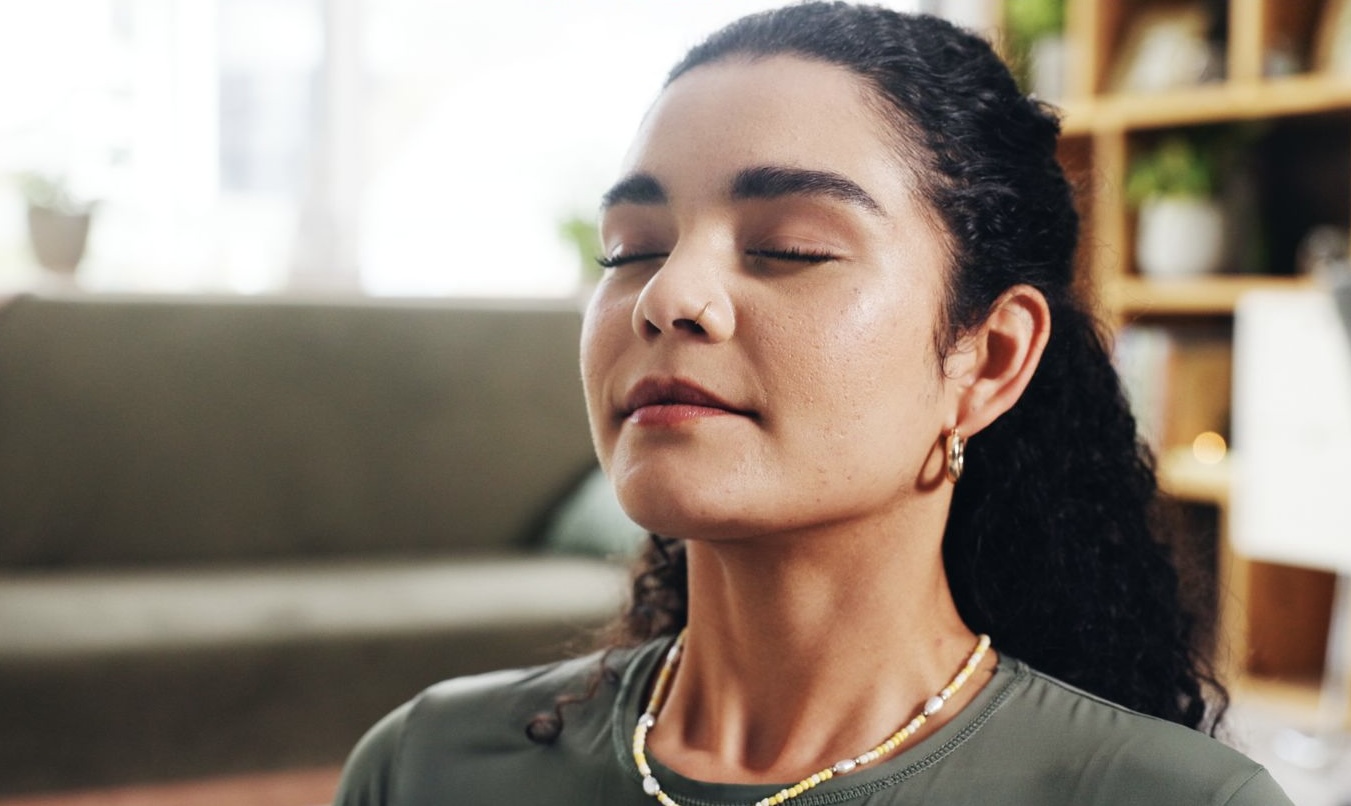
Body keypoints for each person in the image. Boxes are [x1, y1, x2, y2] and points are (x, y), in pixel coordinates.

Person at [335, 3, 1292, 803]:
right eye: (631, 249)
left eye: (788, 247)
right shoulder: (424, 767)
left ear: (989, 359)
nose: (668, 295)